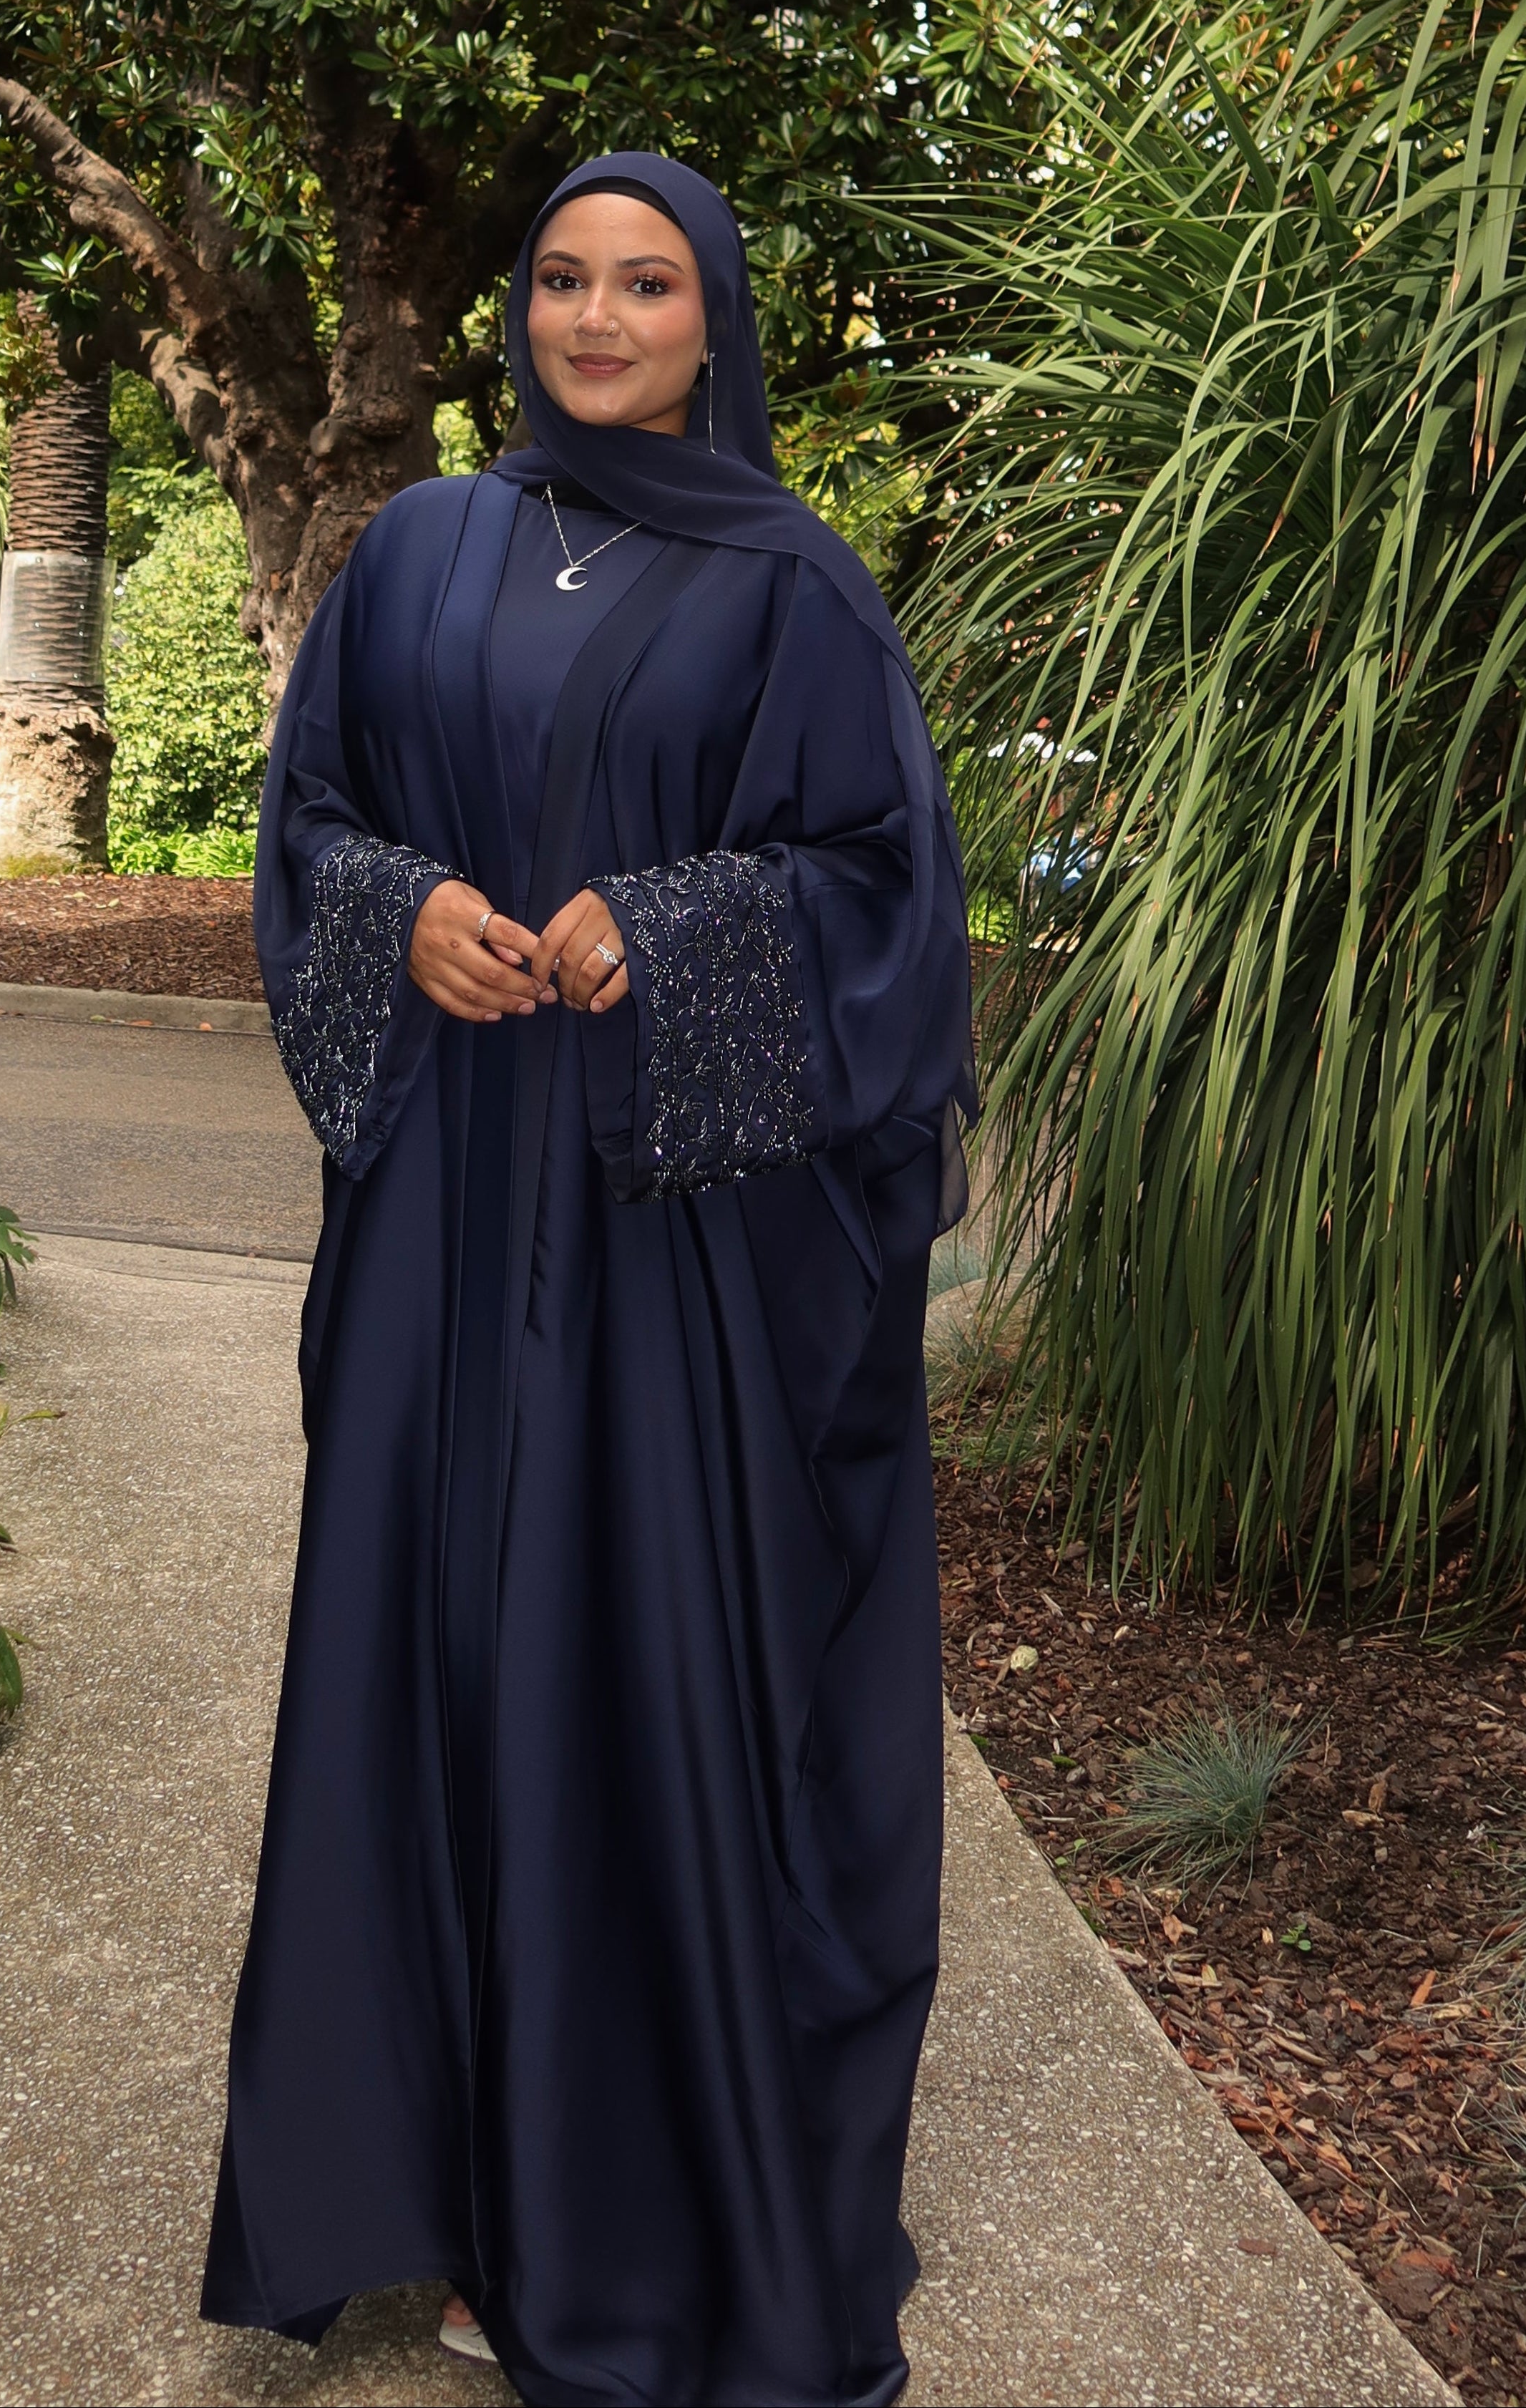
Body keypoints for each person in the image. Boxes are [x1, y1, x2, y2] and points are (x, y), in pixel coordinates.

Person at [201, 150, 976, 2408]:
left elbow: (883, 914)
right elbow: (311, 816)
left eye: (645, 282)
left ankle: (612, 2217)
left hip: (674, 1261)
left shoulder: (796, 593)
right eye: (559, 276)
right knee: (429, 1650)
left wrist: (690, 927)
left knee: (624, 1678)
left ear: (711, 320)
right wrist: (399, 907)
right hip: (448, 1212)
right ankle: (407, 2188)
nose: (596, 314)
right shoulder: (421, 544)